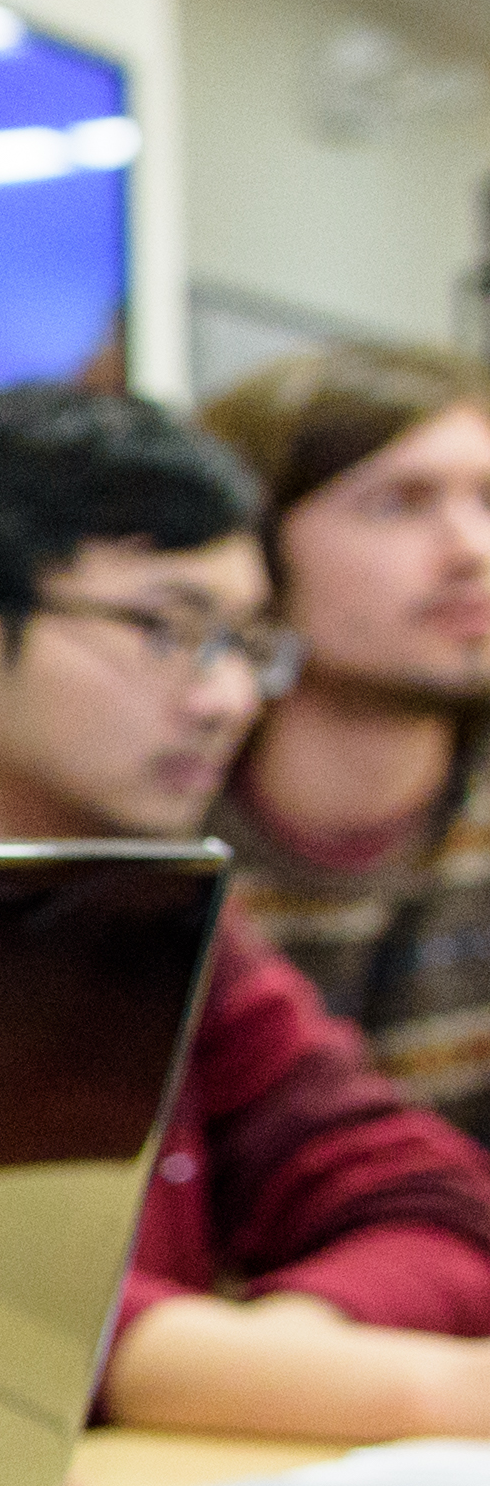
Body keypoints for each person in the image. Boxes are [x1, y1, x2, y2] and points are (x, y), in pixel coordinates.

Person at [0, 380, 490, 1435]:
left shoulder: (151, 906)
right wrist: (400, 1387)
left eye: (246, 641)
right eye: (168, 629)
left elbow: (435, 1200)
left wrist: (279, 1355)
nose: (226, 698)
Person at [210, 341, 490, 1131]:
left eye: (488, 502)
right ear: (253, 551)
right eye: (400, 503)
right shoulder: (156, 841)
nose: (470, 551)